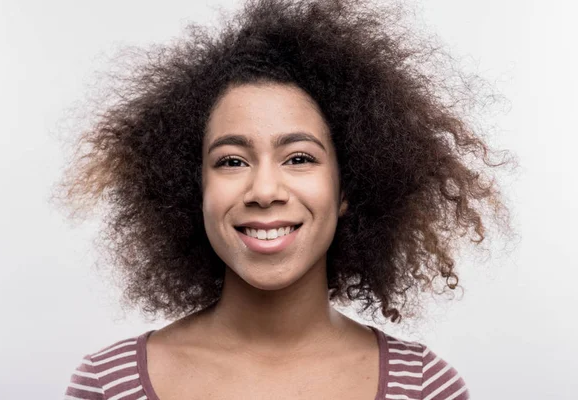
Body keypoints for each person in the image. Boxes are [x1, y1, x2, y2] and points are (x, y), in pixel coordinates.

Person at [55, 0, 512, 398]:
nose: (265, 191)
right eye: (232, 161)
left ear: (347, 188)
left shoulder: (425, 387)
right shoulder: (107, 385)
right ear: (192, 189)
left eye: (298, 158)